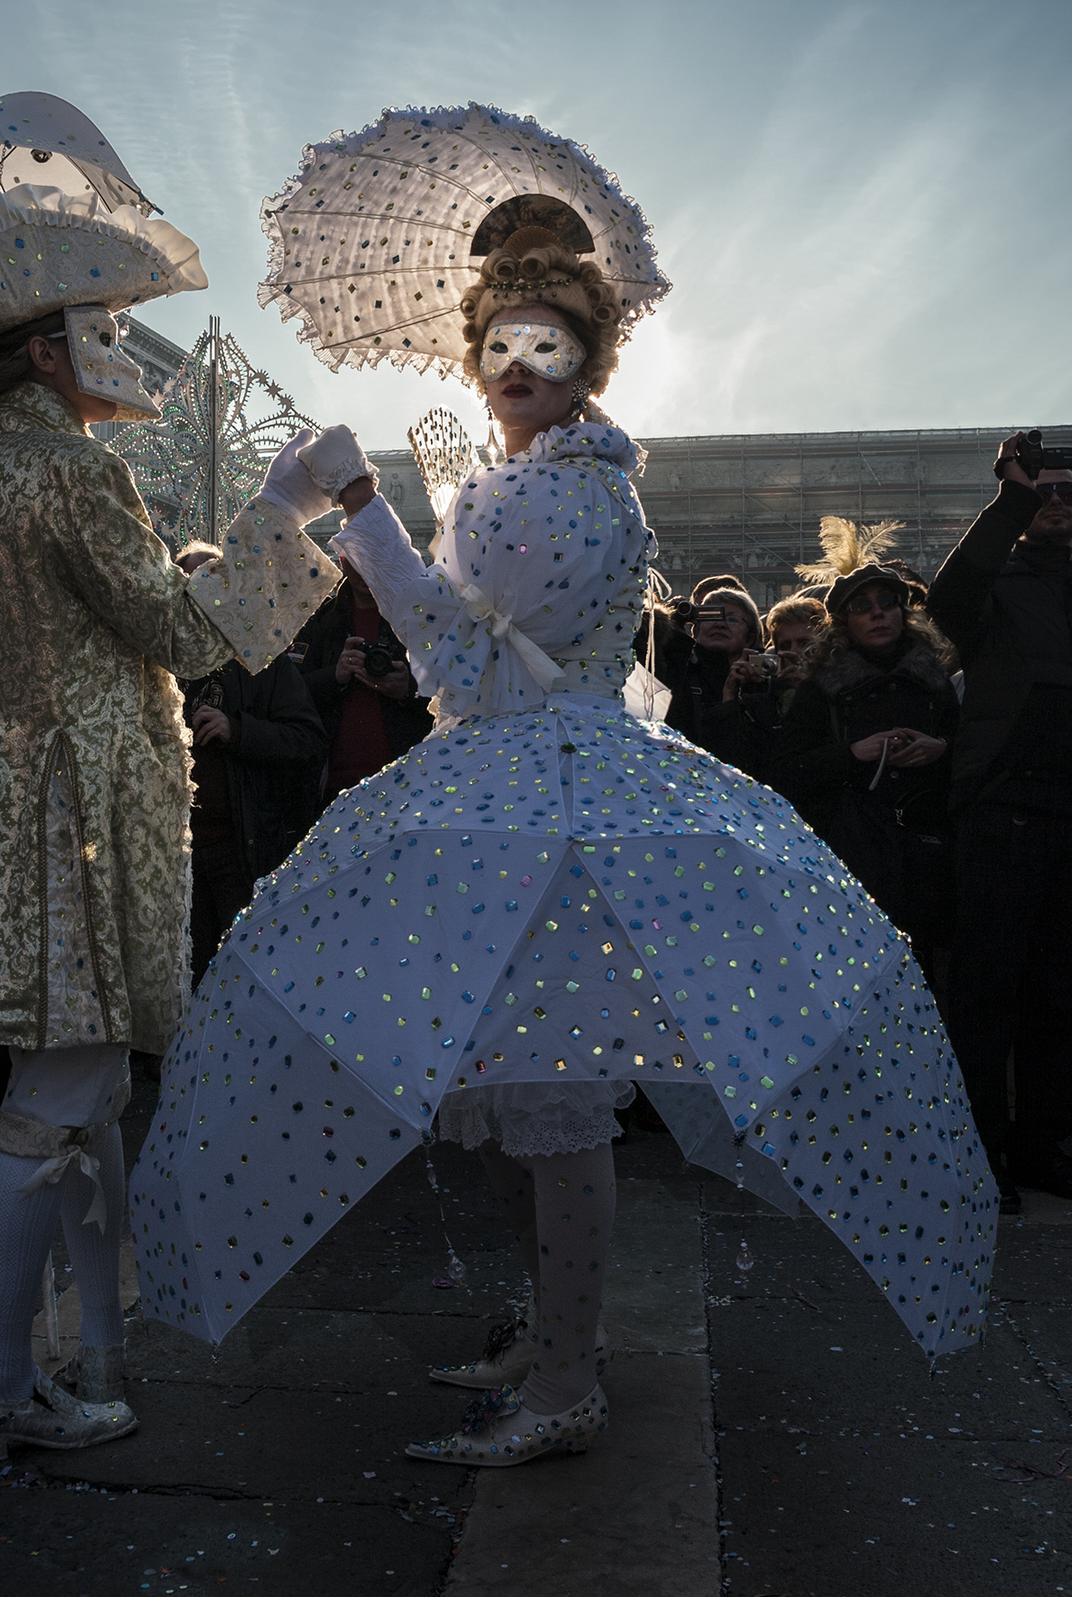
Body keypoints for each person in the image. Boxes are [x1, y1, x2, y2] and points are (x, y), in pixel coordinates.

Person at [134, 222, 992, 1469]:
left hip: (553, 800)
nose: (519, 362)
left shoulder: (567, 485)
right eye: (500, 344)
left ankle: (570, 1374)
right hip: (513, 798)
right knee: (492, 1082)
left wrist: (365, 510)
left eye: (549, 343)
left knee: (549, 1091)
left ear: (591, 361)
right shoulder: (530, 478)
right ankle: (552, 1332)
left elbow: (467, 665)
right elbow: (477, 642)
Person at [0, 182, 347, 1467]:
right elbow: (182, 631)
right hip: (72, 817)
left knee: (88, 1098)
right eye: (98, 321)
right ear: (47, 348)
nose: (117, 343)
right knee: (60, 1097)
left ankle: (94, 1346)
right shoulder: (74, 466)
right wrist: (284, 511)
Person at [926, 435, 1072, 1211]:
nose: (1055, 501)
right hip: (1004, 811)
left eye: (1065, 491)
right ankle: (976, 1150)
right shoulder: (997, 582)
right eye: (1042, 492)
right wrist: (1008, 498)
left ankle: (1041, 1143)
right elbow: (947, 601)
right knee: (988, 992)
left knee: (1059, 993)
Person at [774, 539, 957, 980]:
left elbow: (972, 751)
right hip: (855, 848)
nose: (878, 613)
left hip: (928, 846)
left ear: (903, 612)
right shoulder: (821, 689)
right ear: (844, 622)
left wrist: (942, 748)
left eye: (887, 602)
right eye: (862, 605)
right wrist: (853, 753)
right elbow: (785, 772)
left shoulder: (935, 681)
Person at [177, 544, 327, 982]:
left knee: (241, 971)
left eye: (214, 584)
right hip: (177, 853)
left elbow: (307, 739)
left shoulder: (260, 658)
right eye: (193, 586)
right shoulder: (165, 660)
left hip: (239, 849)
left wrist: (238, 730)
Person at [292, 547, 433, 805]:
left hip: (405, 779)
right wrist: (334, 676)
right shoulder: (320, 620)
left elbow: (454, 689)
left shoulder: (416, 617)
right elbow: (290, 695)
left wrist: (409, 689)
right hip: (332, 783)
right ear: (343, 562)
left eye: (373, 558)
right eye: (357, 561)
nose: (365, 570)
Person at [635, 576, 765, 761]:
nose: (720, 624)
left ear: (750, 637)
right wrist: (671, 627)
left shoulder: (760, 681)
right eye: (711, 615)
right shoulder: (679, 669)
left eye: (733, 619)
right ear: (695, 629)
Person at [704, 593, 828, 783]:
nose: (793, 652)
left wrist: (809, 689)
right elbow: (732, 764)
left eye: (805, 643)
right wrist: (730, 694)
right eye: (785, 645)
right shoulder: (763, 704)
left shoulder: (843, 694)